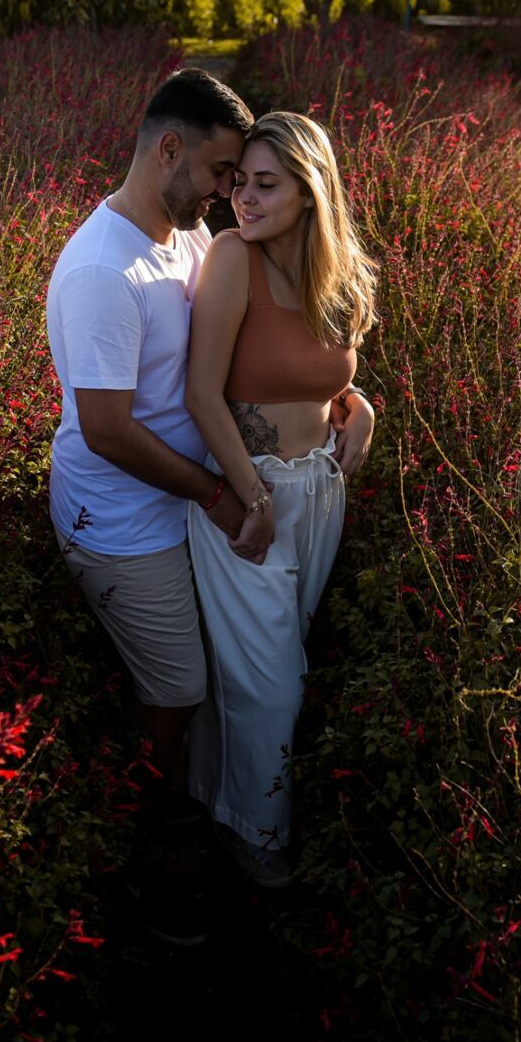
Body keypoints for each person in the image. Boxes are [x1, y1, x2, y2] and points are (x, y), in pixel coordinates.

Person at [45, 67, 254, 944]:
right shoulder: (103, 268)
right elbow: (106, 432)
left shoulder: (183, 239)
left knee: (200, 681)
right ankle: (125, 849)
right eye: (217, 171)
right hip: (123, 525)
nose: (225, 193)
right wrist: (213, 492)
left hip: (172, 514)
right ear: (168, 149)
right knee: (178, 688)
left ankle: (163, 806)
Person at [183, 110, 379, 889]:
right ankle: (262, 841)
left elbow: (325, 377)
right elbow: (202, 394)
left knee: (269, 664)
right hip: (244, 501)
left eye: (266, 185)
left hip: (318, 495)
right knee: (275, 683)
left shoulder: (336, 275)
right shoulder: (233, 259)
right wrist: (250, 494)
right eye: (239, 183)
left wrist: (362, 406)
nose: (244, 199)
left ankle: (211, 800)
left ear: (310, 192)